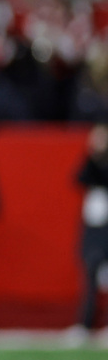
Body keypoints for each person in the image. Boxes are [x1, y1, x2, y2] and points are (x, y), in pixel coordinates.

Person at [73, 123, 108, 340]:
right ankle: (86, 323)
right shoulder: (92, 161)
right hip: (94, 225)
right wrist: (94, 154)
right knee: (90, 271)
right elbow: (80, 178)